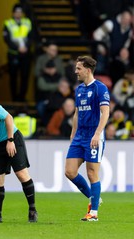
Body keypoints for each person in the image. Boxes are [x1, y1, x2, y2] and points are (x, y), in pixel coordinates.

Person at [64, 56, 110, 222]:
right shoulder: (79, 89)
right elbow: (77, 113)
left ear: (88, 70)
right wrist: (73, 133)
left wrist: (97, 134)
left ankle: (94, 213)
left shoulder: (100, 88)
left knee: (92, 173)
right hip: (79, 136)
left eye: (78, 68)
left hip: (93, 136)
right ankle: (94, 197)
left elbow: (105, 113)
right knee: (69, 172)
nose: (76, 71)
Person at [3, 4, 33, 102]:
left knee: (25, 76)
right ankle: (14, 98)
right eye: (16, 12)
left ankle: (22, 98)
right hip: (13, 54)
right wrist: (17, 48)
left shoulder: (27, 22)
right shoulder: (8, 23)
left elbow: (31, 36)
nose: (18, 14)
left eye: (20, 12)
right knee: (13, 77)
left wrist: (26, 47)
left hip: (26, 54)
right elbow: (6, 39)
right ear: (13, 13)